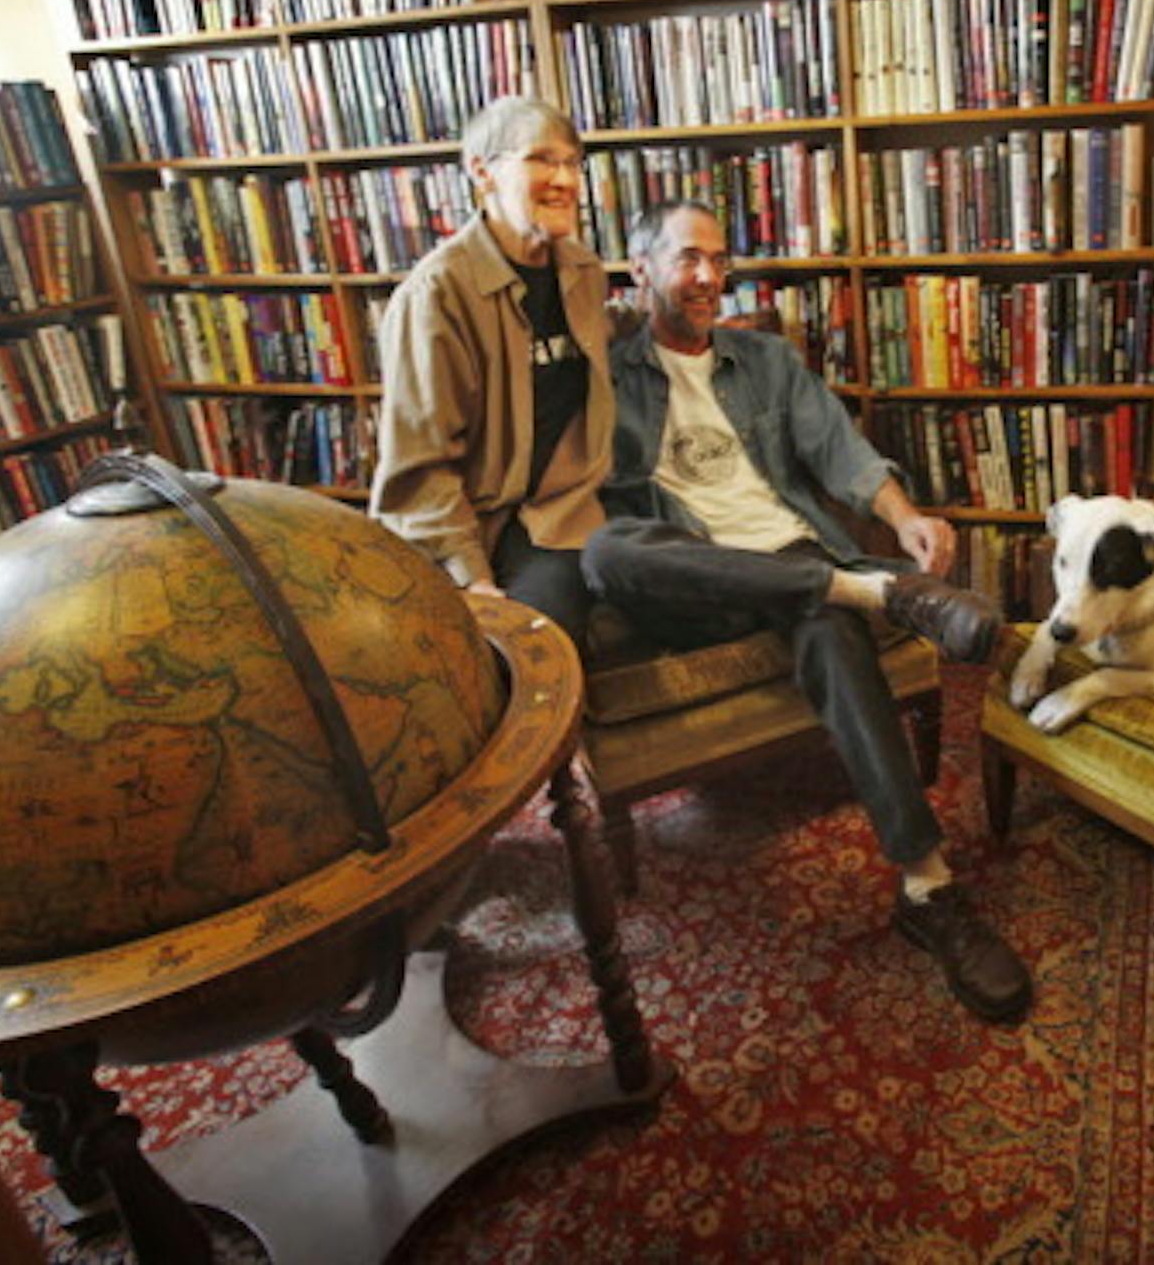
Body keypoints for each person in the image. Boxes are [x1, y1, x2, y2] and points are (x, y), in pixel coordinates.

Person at [581, 199, 1033, 1023]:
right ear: (640, 269)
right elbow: (565, 493)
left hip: (795, 563)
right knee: (607, 550)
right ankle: (876, 589)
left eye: (719, 259)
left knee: (830, 623)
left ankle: (927, 885)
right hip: (698, 584)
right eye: (687, 259)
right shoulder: (603, 381)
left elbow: (841, 451)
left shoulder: (766, 360)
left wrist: (905, 518)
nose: (709, 277)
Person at [370, 97, 610, 648]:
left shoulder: (585, 272)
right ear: (482, 171)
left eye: (573, 163)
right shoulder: (436, 294)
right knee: (522, 653)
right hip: (473, 522)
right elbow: (420, 468)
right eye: (541, 159)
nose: (564, 180)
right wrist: (470, 577)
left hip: (561, 510)